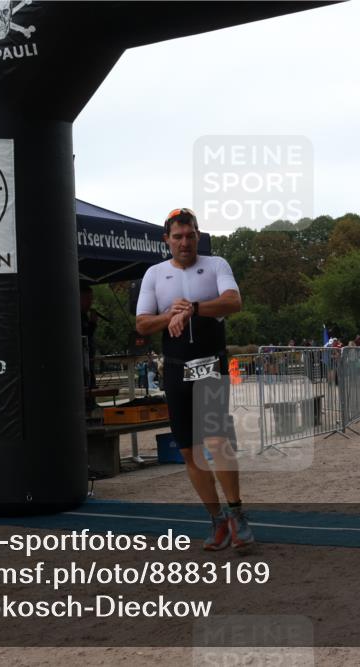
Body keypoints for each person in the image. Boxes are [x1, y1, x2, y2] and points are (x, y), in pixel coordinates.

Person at [135, 207, 252, 550]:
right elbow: (142, 324)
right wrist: (170, 313)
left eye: (190, 236)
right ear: (166, 240)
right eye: (177, 237)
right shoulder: (155, 274)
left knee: (216, 442)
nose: (184, 243)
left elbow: (233, 301)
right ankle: (217, 520)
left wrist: (193, 309)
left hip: (209, 364)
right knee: (189, 449)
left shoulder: (216, 265)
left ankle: (237, 513)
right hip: (174, 366)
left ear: (198, 236)